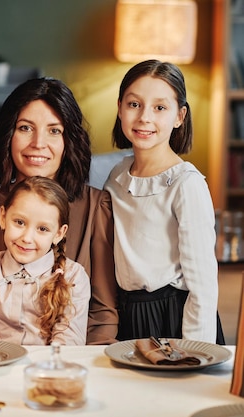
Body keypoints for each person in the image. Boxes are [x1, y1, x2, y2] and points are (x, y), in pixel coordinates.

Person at [0, 77, 119, 345]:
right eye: (25, 128)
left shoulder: (98, 209)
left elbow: (102, 317)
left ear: (69, 140)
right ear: (8, 135)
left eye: (54, 131)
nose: (38, 143)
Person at [104, 59, 224, 344]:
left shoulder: (186, 184)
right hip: (128, 313)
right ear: (120, 107)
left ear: (179, 116)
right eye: (134, 104)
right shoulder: (117, 175)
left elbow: (203, 284)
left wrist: (196, 350)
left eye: (160, 108)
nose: (145, 117)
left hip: (173, 316)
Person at [0, 176, 90, 345]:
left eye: (43, 229)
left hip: (48, 368)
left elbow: (68, 343)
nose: (27, 238)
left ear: (59, 233)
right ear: (3, 217)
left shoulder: (74, 276)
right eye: (19, 222)